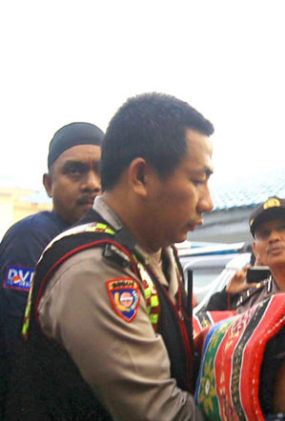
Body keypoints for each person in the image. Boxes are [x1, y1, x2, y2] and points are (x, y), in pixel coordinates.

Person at [8, 93, 215, 420]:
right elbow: (162, 414)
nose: (208, 203)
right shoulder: (92, 267)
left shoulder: (155, 251)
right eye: (198, 180)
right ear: (141, 177)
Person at [0, 121, 102, 415]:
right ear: (48, 184)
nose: (92, 183)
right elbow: (22, 341)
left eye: (101, 171)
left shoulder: (110, 241)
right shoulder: (33, 238)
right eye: (75, 171)